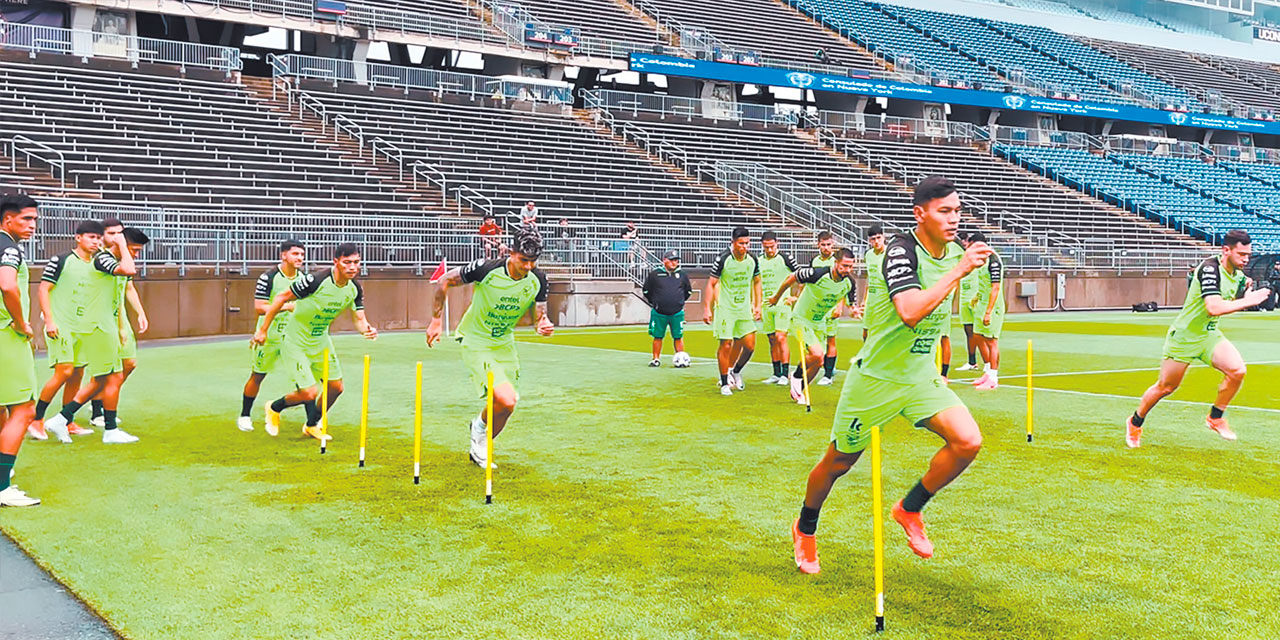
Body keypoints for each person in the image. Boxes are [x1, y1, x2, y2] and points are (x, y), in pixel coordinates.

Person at [791, 177, 995, 573]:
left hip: (919, 375)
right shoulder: (901, 250)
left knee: (968, 442)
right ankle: (805, 528)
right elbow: (910, 310)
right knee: (838, 463)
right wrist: (959, 271)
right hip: (876, 379)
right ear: (920, 214)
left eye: (957, 210)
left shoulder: (956, 250)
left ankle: (909, 508)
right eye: (944, 211)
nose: (954, 219)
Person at [1126, 230, 1271, 447]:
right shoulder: (1210, 268)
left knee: (1237, 371)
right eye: (1241, 254)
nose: (1246, 259)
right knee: (1166, 386)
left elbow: (1229, 303)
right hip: (1185, 336)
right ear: (1226, 250)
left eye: (1248, 255)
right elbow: (1213, 307)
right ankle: (1135, 422)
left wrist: (1246, 295)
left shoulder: (1239, 277)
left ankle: (1215, 417)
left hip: (1209, 334)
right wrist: (1249, 302)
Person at [426, 225, 553, 468]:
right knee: (505, 400)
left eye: (533, 261)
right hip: (476, 340)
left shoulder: (539, 279)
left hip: (504, 343)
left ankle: (479, 436)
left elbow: (541, 315)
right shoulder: (486, 268)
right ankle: (480, 436)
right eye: (523, 260)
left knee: (507, 405)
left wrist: (544, 324)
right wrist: (435, 320)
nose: (528, 267)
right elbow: (444, 281)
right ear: (511, 253)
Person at [253, 243, 377, 441]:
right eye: (347, 263)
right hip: (294, 341)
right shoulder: (316, 280)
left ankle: (311, 425)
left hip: (321, 341)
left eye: (356, 262)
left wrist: (368, 330)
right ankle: (274, 407)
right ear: (336, 262)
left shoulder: (354, 288)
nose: (352, 267)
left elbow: (360, 319)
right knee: (309, 393)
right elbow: (281, 297)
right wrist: (263, 330)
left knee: (336, 388)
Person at [43, 227, 148, 445]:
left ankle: (62, 418)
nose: (135, 255)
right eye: (134, 249)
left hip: (105, 324)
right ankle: (110, 429)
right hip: (98, 326)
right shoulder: (103, 259)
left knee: (102, 380)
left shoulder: (108, 260)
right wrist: (120, 245)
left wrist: (122, 326)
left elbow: (119, 295)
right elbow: (129, 269)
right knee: (113, 377)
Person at [29, 221, 105, 441]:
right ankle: (36, 420)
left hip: (83, 328)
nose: (96, 242)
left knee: (78, 374)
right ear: (78, 237)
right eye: (91, 237)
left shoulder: (96, 264)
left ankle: (66, 421)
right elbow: (43, 289)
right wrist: (49, 320)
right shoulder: (62, 260)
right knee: (63, 371)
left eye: (99, 238)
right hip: (61, 326)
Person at [768, 248, 860, 403]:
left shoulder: (849, 283)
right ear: (836, 262)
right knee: (817, 354)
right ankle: (797, 376)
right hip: (801, 319)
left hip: (820, 323)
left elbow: (851, 306)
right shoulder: (817, 273)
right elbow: (792, 277)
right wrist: (776, 298)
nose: (847, 270)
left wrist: (854, 311)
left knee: (818, 362)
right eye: (844, 266)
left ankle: (798, 389)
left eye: (850, 266)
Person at [237, 240, 305, 433]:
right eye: (295, 254)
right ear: (284, 255)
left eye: (302, 254)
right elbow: (259, 307)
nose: (300, 258)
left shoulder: (304, 279)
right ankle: (245, 415)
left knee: (304, 378)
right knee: (258, 375)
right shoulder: (269, 277)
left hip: (293, 338)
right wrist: (285, 306)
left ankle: (311, 422)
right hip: (269, 336)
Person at [89, 219, 150, 428]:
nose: (116, 236)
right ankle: (86, 413)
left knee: (128, 364)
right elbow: (127, 271)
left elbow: (128, 286)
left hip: (118, 317)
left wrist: (140, 312)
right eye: (112, 233)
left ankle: (103, 402)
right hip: (99, 318)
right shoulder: (101, 259)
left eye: (119, 233)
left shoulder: (122, 258)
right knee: (96, 371)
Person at [0, 195, 41, 506]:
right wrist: (21, 322)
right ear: (7, 220)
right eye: (26, 219)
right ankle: (2, 488)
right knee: (24, 408)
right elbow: (8, 285)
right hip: (6, 335)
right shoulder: (8, 248)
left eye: (35, 219)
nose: (32, 225)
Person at [704, 227, 761, 396]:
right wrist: (707, 308)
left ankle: (735, 371)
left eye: (747, 243)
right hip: (725, 308)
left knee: (749, 345)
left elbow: (757, 281)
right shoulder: (723, 259)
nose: (745, 247)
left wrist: (757, 305)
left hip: (743, 308)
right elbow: (711, 283)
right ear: (733, 243)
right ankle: (724, 383)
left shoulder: (752, 259)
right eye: (741, 243)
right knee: (726, 343)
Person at [758, 231, 799, 385]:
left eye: (772, 246)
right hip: (766, 305)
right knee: (772, 339)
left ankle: (785, 373)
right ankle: (775, 373)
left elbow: (800, 277)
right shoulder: (759, 260)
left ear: (777, 244)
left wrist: (794, 296)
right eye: (766, 247)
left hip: (782, 304)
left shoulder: (785, 258)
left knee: (781, 337)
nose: (769, 250)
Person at [642, 250, 692, 367]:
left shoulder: (682, 275)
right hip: (659, 312)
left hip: (677, 312)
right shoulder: (655, 274)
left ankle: (681, 358)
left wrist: (679, 302)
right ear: (664, 260)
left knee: (678, 336)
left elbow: (687, 291)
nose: (674, 263)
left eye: (676, 261)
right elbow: (646, 290)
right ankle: (656, 359)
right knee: (658, 336)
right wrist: (655, 302)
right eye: (671, 260)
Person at [967, 232, 1004, 390]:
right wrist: (976, 298)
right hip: (981, 303)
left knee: (991, 341)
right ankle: (987, 371)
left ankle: (994, 377)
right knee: (978, 336)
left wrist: (988, 311)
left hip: (992, 306)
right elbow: (984, 283)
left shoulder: (994, 261)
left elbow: (995, 287)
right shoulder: (982, 261)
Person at [809, 231, 842, 386]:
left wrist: (839, 306)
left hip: (831, 305)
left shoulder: (836, 261)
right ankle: (813, 368)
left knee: (831, 339)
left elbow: (843, 284)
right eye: (823, 245)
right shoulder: (814, 261)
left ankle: (828, 375)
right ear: (818, 245)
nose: (826, 248)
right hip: (816, 308)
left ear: (833, 244)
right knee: (814, 340)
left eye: (829, 244)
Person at [955, 232, 982, 372]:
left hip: (975, 299)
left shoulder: (978, 257)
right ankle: (972, 362)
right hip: (964, 298)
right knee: (968, 331)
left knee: (981, 333)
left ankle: (989, 364)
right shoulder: (960, 257)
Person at [861, 225, 887, 343]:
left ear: (883, 237)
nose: (876, 242)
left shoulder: (890, 253)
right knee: (866, 332)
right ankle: (867, 357)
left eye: (878, 238)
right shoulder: (868, 255)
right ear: (869, 241)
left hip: (885, 299)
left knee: (882, 332)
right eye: (873, 239)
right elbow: (868, 277)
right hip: (871, 299)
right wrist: (863, 299)